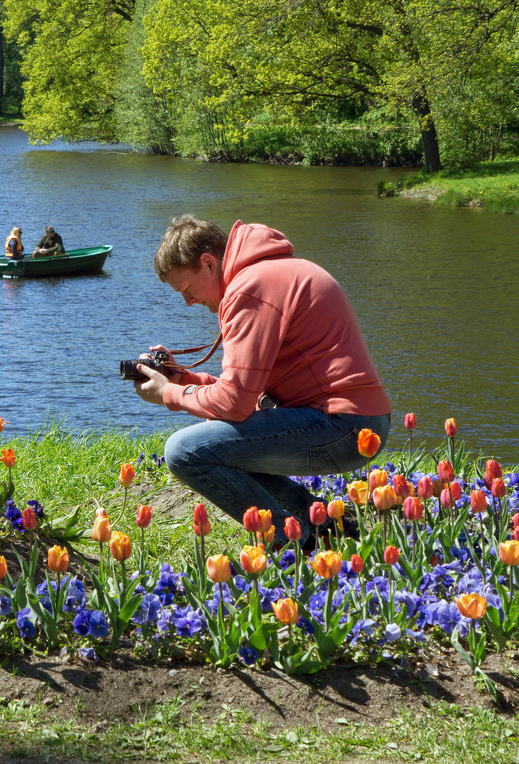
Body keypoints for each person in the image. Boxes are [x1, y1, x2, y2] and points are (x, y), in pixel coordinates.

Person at [133, 215, 391, 547]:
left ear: (209, 263)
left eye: (187, 289)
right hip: (355, 420)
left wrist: (168, 393)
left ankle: (287, 542)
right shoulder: (268, 273)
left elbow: (234, 404)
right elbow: (247, 396)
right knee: (224, 445)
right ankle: (326, 523)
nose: (189, 302)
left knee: (183, 452)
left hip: (344, 428)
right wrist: (184, 379)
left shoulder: (250, 289)